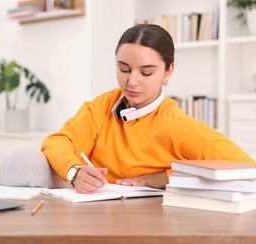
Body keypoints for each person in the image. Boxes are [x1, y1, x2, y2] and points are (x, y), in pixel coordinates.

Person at [41, 23, 255, 194]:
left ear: (168, 71)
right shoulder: (103, 105)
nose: (132, 82)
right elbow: (57, 142)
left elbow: (246, 168)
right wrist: (75, 172)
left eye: (146, 72)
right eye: (124, 69)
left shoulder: (177, 125)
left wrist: (166, 178)